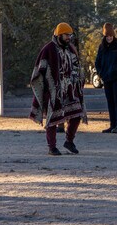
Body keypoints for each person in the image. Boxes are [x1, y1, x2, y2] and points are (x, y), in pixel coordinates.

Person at [29, 23, 87, 156]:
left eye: (70, 35)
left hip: (71, 90)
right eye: (66, 35)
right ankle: (52, 147)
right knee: (53, 119)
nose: (69, 38)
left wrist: (78, 81)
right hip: (54, 91)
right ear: (59, 35)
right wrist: (45, 88)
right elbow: (40, 69)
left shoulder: (71, 49)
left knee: (77, 114)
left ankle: (69, 141)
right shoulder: (48, 49)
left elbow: (77, 67)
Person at [94, 23, 117, 133]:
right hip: (106, 78)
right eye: (107, 36)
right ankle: (112, 125)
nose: (109, 38)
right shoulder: (102, 47)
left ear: (113, 35)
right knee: (110, 101)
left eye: (111, 36)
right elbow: (97, 62)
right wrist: (100, 73)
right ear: (104, 36)